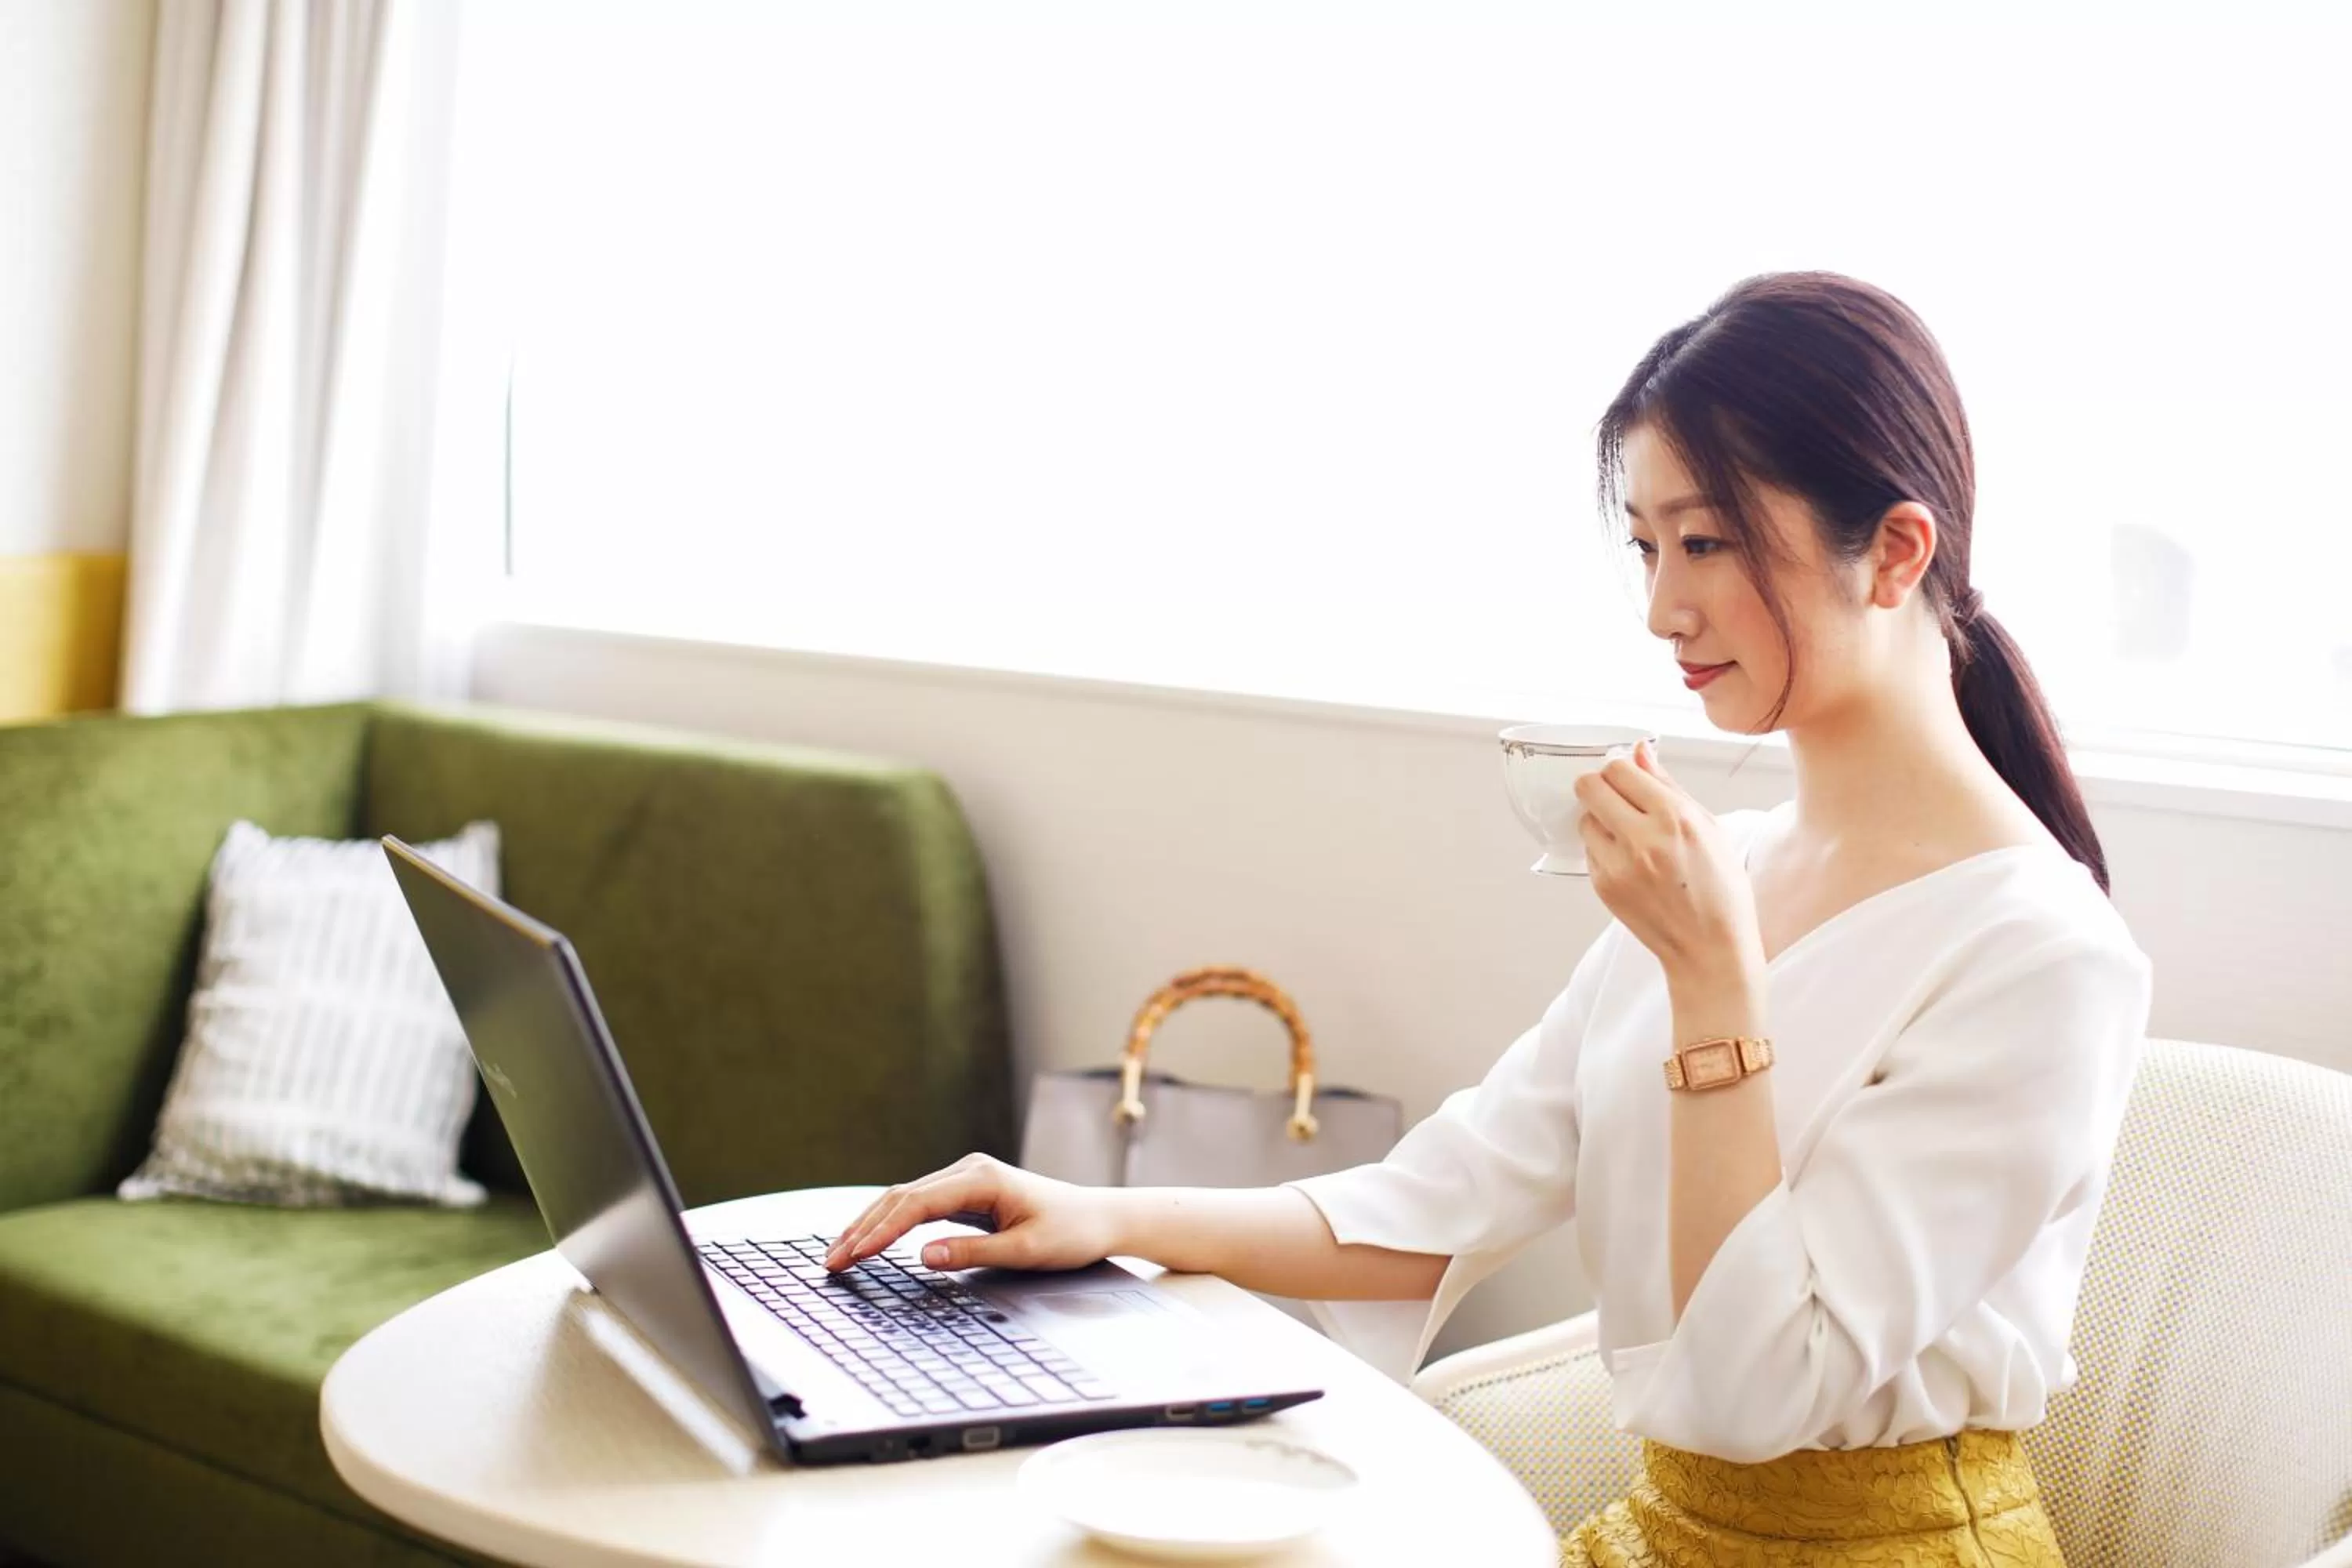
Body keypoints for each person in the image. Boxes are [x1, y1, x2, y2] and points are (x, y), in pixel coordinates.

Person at [824, 270, 2150, 1566]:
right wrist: (1096, 1218)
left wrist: (1715, 990)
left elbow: (1758, 1389)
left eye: (1709, 542)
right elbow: (1429, 1207)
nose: (1661, 609)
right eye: (1645, 546)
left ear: (1898, 552)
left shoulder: (2042, 957)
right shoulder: (1718, 875)